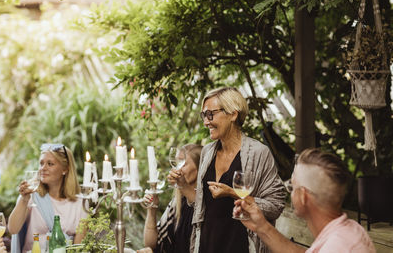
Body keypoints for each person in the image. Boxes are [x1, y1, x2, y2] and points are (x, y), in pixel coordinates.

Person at [192, 87, 286, 253]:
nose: (206, 122)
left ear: (233, 115)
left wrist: (233, 193)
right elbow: (202, 203)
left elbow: (275, 205)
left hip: (241, 245)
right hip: (208, 244)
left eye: (210, 114)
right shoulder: (207, 152)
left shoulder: (258, 153)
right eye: (204, 115)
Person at [234, 148, 376, 253]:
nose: (290, 191)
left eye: (292, 186)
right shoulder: (351, 229)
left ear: (303, 196)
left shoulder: (338, 246)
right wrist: (261, 226)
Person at [8, 143, 87, 253]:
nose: (43, 168)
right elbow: (12, 229)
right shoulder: (31, 196)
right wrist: (24, 199)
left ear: (65, 169)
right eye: (41, 163)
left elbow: (79, 248)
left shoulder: (80, 203)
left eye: (50, 164)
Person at [138, 144, 202, 253]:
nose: (177, 169)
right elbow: (151, 244)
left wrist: (183, 186)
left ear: (200, 168)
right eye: (177, 163)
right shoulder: (178, 203)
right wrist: (152, 210)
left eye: (184, 163)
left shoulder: (207, 205)